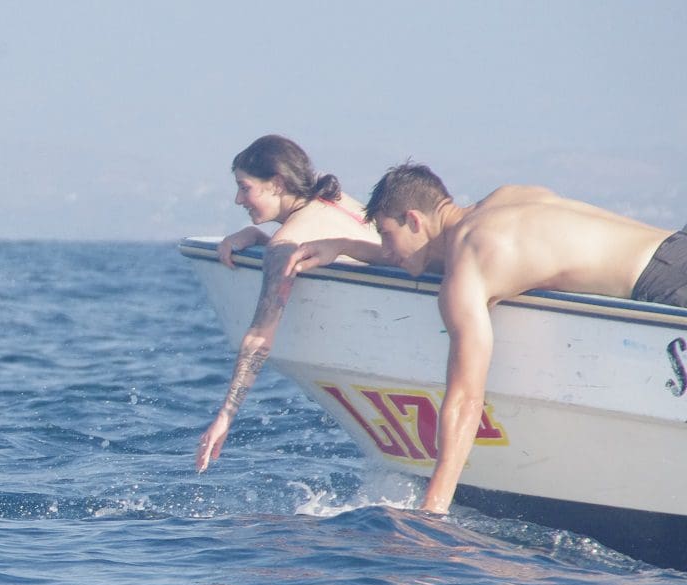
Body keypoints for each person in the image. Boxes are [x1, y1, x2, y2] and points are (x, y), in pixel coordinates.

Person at [286, 161, 683, 514]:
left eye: (386, 235)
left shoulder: (468, 264)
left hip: (664, 286)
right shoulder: (502, 202)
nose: (386, 251)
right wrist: (342, 246)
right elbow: (441, 255)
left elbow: (465, 400)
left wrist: (433, 511)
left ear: (413, 219)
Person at [195, 135, 380, 473]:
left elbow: (259, 337)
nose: (238, 199)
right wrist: (257, 239)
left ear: (277, 183)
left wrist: (225, 417)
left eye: (244, 187)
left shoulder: (285, 244)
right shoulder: (335, 200)